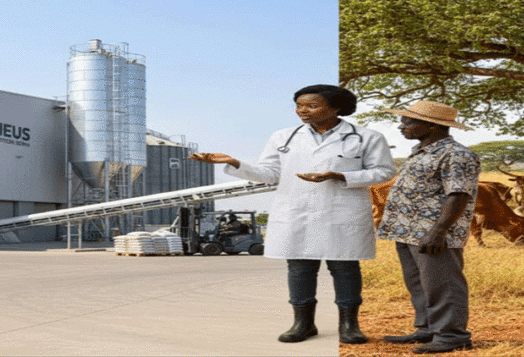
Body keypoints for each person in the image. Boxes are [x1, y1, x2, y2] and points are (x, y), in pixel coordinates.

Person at [189, 84, 395, 344]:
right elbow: (270, 174)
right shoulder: (283, 137)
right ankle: (303, 324)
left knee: (345, 268)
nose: (302, 111)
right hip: (298, 211)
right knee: (299, 268)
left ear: (336, 108)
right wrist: (234, 163)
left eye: (312, 105)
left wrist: (340, 175)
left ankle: (349, 326)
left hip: (341, 212)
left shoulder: (367, 137)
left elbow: (384, 172)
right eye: (299, 105)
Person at [376, 100, 480, 354]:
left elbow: (458, 195)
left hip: (433, 233)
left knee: (443, 284)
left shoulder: (456, 154)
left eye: (409, 121)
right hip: (408, 231)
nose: (402, 126)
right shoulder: (422, 150)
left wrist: (438, 231)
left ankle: (452, 336)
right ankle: (427, 329)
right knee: (420, 284)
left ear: (432, 126)